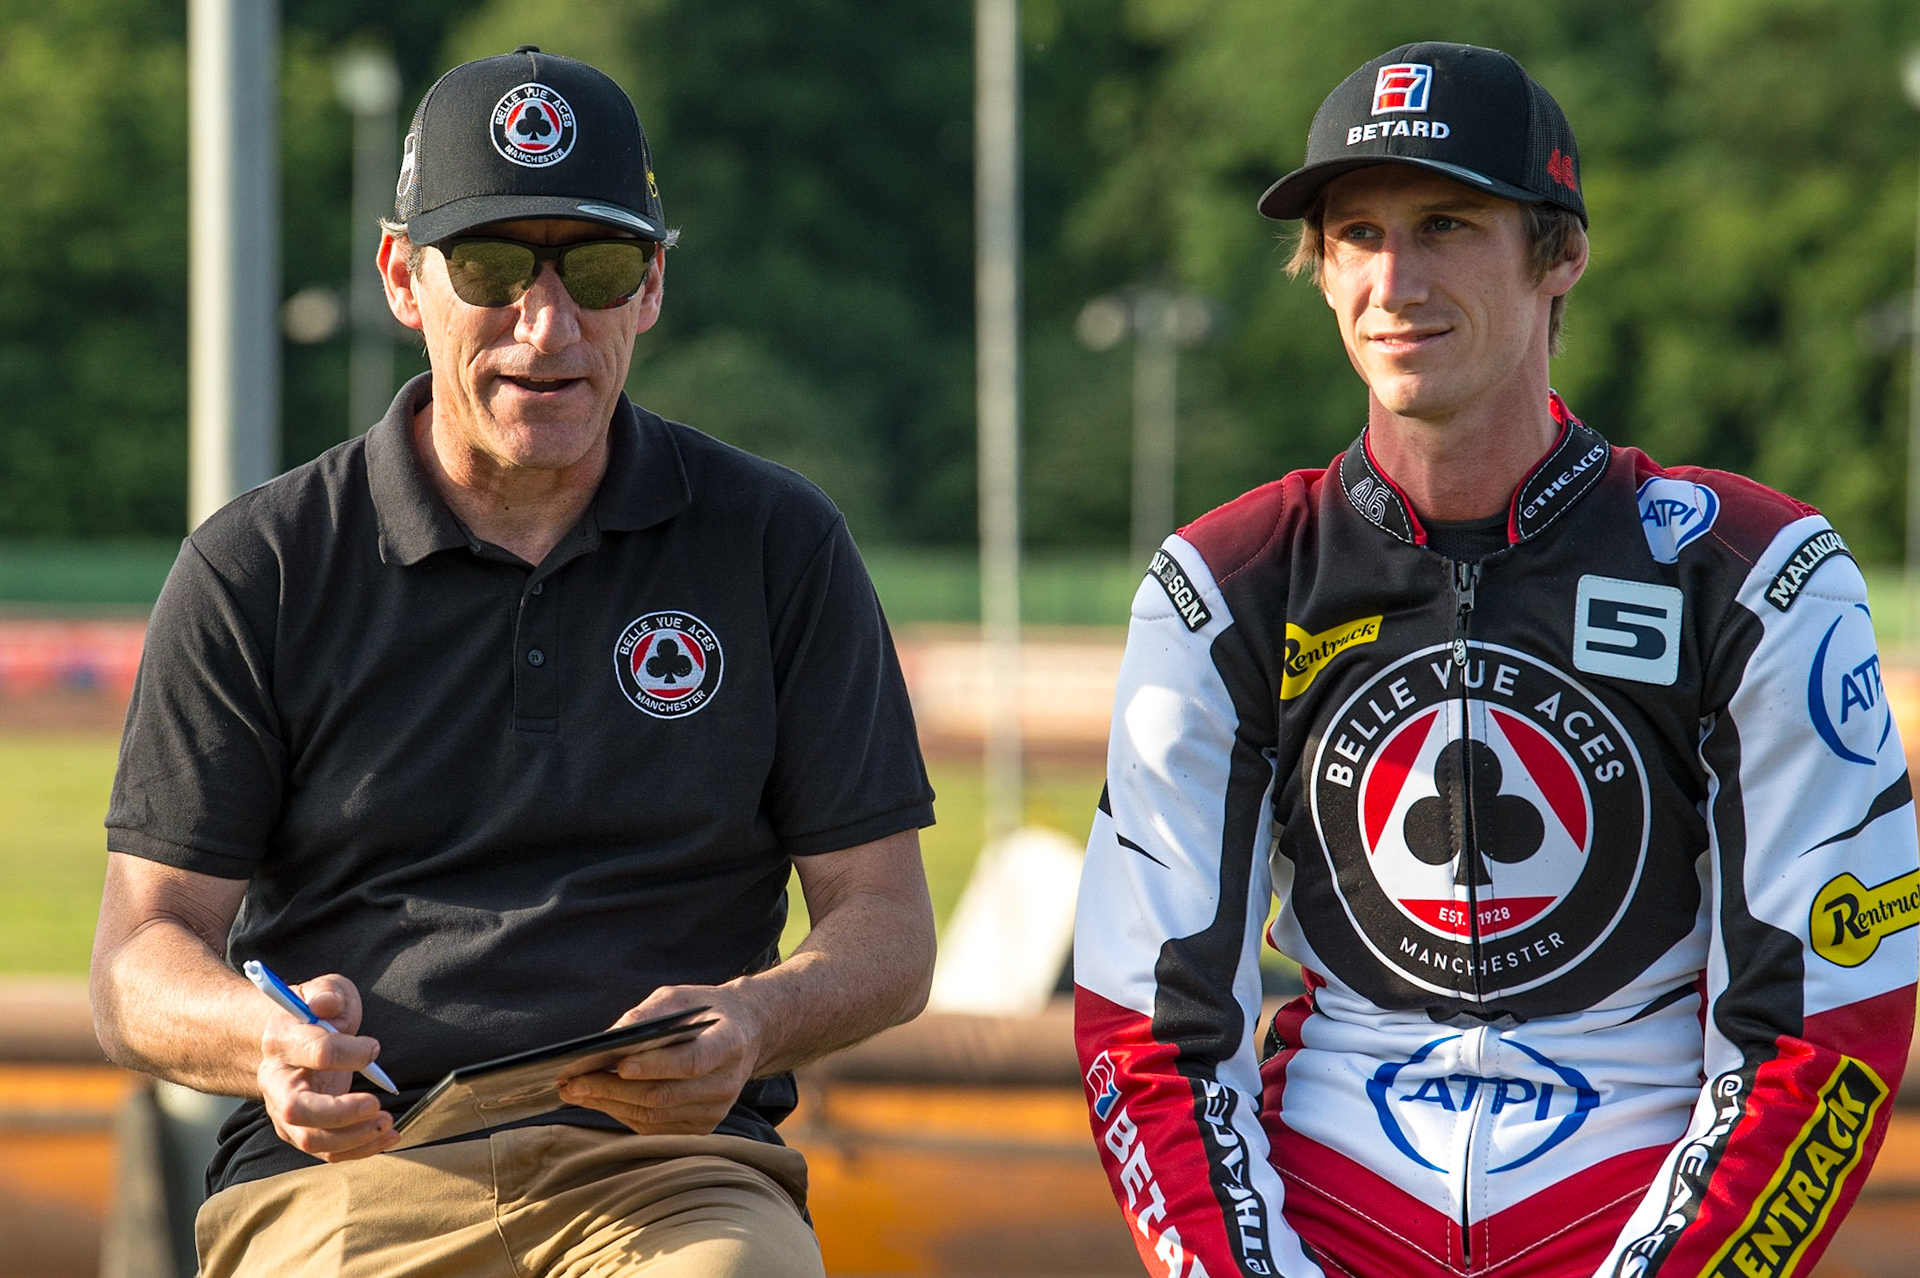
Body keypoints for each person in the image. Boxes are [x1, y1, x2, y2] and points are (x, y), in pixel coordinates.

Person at [1073, 41, 1918, 1278]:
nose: (1394, 282)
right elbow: (1147, 1034)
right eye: (1357, 236)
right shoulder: (1225, 584)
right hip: (1327, 1219)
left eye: (1447, 226)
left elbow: (1825, 1025)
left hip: (1635, 1210)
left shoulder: (1754, 571)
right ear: (1321, 270)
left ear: (1560, 254)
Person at [91, 47, 936, 1278]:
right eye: (490, 267)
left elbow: (889, 925)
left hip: (670, 1175)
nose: (548, 326)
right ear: (403, 277)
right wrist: (266, 1042)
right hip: (344, 1178)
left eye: (596, 269)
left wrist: (754, 1020)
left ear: (652, 285)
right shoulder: (259, 563)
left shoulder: (774, 542)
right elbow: (138, 958)